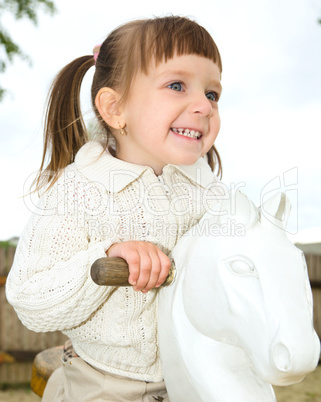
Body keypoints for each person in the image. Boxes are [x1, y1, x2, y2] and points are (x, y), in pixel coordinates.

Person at [6, 15, 223, 401]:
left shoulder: (207, 188)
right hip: (106, 383)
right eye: (177, 85)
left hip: (195, 376)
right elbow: (29, 299)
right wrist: (103, 257)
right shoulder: (80, 190)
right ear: (114, 108)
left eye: (212, 94)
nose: (204, 107)